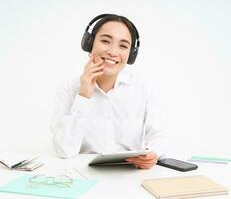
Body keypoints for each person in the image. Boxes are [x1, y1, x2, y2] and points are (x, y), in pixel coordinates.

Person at [51, 14, 169, 169]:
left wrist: (153, 153)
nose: (113, 52)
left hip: (130, 174)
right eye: (105, 41)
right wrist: (84, 95)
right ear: (90, 43)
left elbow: (159, 136)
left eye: (123, 46)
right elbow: (64, 151)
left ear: (131, 54)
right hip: (84, 175)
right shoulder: (68, 89)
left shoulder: (143, 88)